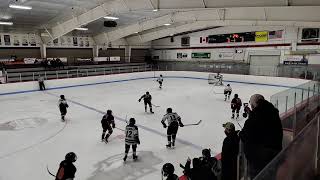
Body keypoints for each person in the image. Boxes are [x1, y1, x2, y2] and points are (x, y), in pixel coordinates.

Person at [239, 94, 283, 179]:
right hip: (275, 153)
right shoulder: (272, 112)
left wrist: (240, 134)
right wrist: (252, 114)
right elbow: (262, 123)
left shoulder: (256, 116)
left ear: (254, 105)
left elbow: (246, 134)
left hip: (259, 157)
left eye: (251, 105)